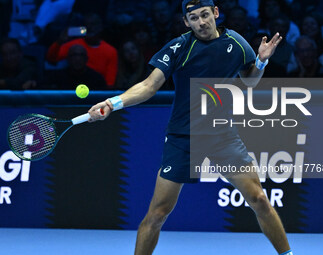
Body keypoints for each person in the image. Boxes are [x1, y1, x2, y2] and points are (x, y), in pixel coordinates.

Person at [88, 1, 293, 255]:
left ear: (215, 13)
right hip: (182, 137)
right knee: (157, 214)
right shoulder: (178, 47)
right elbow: (149, 86)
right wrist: (112, 103)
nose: (201, 22)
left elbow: (249, 80)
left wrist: (261, 61)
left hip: (222, 135)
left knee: (260, 200)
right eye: (193, 18)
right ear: (186, 22)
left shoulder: (237, 43)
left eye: (205, 15)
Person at [46, 13, 118, 88]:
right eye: (86, 25)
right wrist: (59, 42)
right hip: (72, 85)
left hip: (96, 88)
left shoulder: (111, 51)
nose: (89, 27)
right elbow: (51, 58)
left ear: (100, 27)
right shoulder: (74, 45)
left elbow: (110, 83)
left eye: (92, 24)